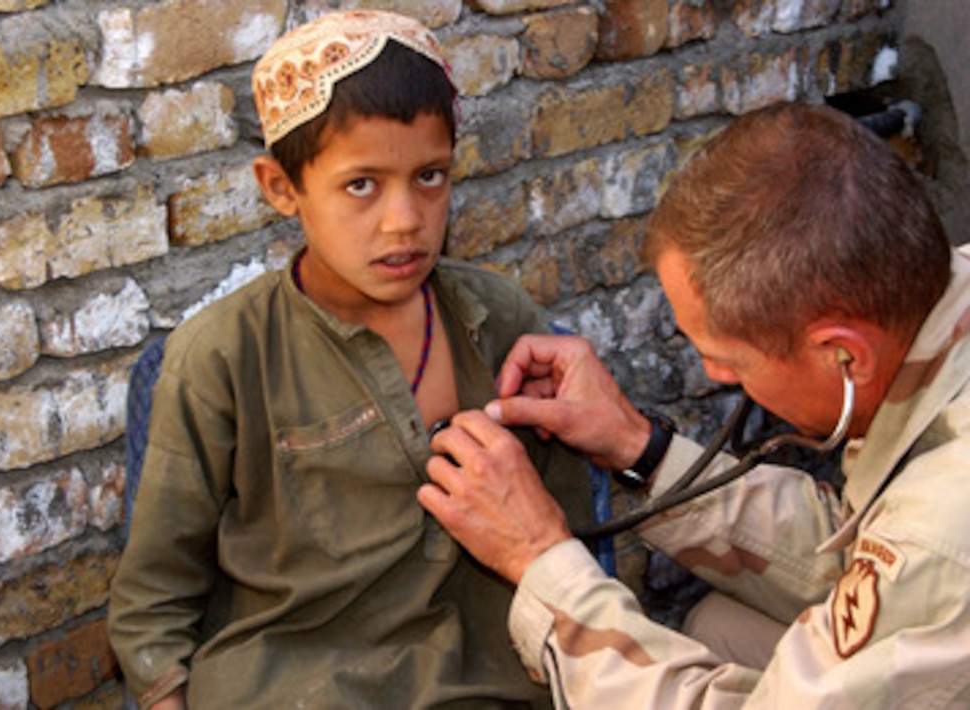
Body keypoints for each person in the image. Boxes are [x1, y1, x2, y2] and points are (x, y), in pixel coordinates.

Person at [107, 10, 592, 710]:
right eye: (361, 184)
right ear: (281, 187)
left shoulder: (499, 323)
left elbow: (568, 542)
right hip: (284, 688)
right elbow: (153, 599)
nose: (404, 219)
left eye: (430, 176)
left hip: (485, 681)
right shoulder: (219, 358)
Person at [420, 102, 970, 707]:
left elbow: (915, 555)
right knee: (718, 627)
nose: (714, 374)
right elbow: (854, 553)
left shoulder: (942, 529)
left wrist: (540, 560)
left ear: (844, 355)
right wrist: (641, 448)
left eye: (731, 362)